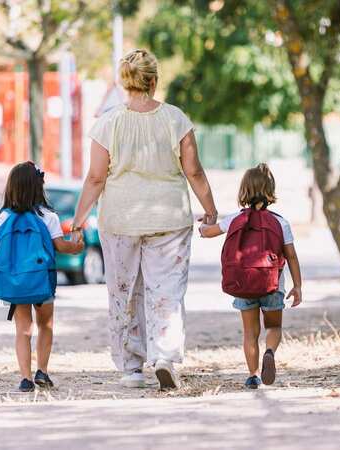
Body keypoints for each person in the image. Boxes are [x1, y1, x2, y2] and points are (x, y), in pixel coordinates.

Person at [70, 49, 218, 390]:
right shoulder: (176, 119)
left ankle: (131, 368)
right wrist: (210, 209)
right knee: (166, 290)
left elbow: (95, 178)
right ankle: (164, 356)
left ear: (125, 81)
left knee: (123, 292)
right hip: (170, 219)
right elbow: (193, 171)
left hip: (120, 221)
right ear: (153, 80)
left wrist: (78, 222)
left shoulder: (107, 123)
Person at [199, 163, 303, 389]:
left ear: (243, 191)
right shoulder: (280, 222)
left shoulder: (234, 219)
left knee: (250, 332)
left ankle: (253, 375)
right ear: (270, 190)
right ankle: (270, 352)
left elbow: (207, 233)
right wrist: (298, 286)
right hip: (272, 284)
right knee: (273, 328)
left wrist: (205, 224)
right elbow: (292, 256)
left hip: (242, 283)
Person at [0, 161, 84, 393]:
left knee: (23, 329)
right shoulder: (48, 216)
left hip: (16, 281)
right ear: (39, 186)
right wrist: (76, 246)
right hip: (41, 279)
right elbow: (60, 245)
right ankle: (42, 372)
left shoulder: (4, 216)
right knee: (45, 325)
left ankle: (25, 378)